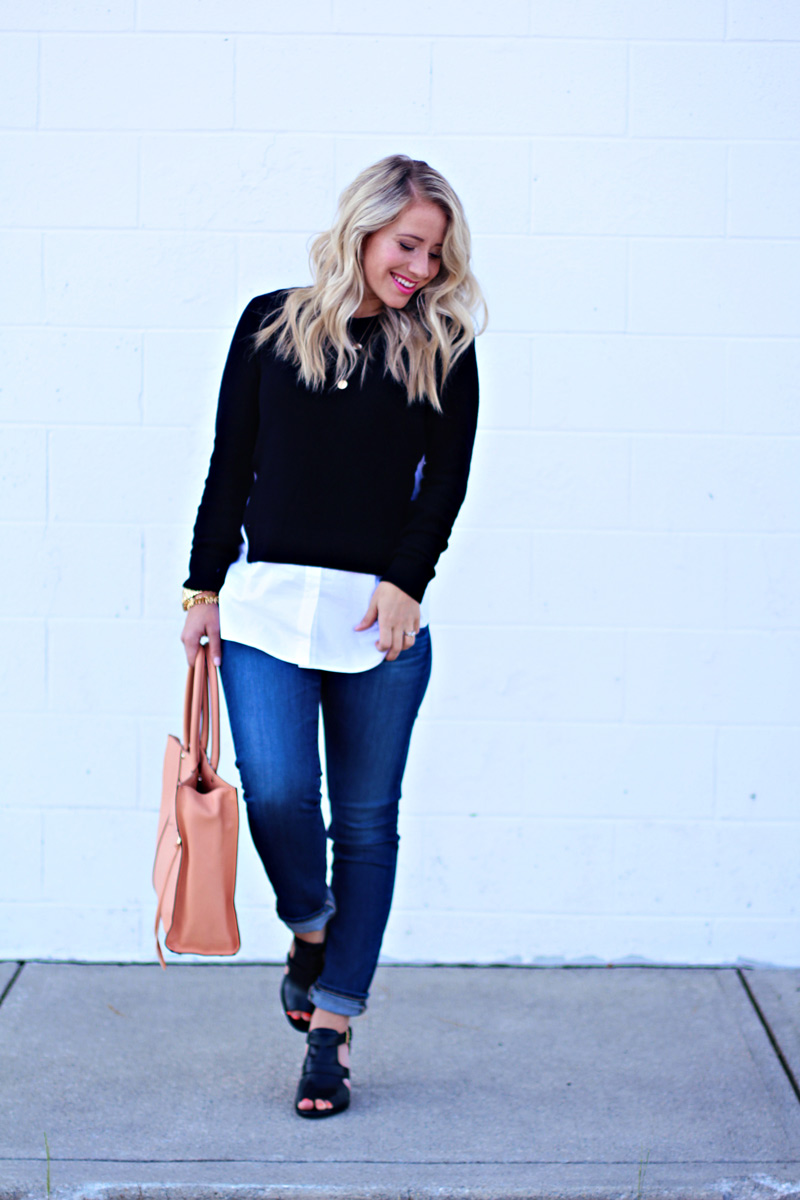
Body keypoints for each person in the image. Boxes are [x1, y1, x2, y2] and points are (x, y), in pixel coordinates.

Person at [180, 154, 486, 1118]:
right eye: (408, 246)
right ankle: (310, 926)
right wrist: (200, 588)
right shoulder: (270, 325)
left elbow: (445, 483)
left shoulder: (443, 347)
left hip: (378, 622)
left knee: (364, 825)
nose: (421, 270)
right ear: (364, 228)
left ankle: (333, 1029)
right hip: (266, 609)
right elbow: (231, 460)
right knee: (275, 792)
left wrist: (406, 582)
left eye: (435, 256)